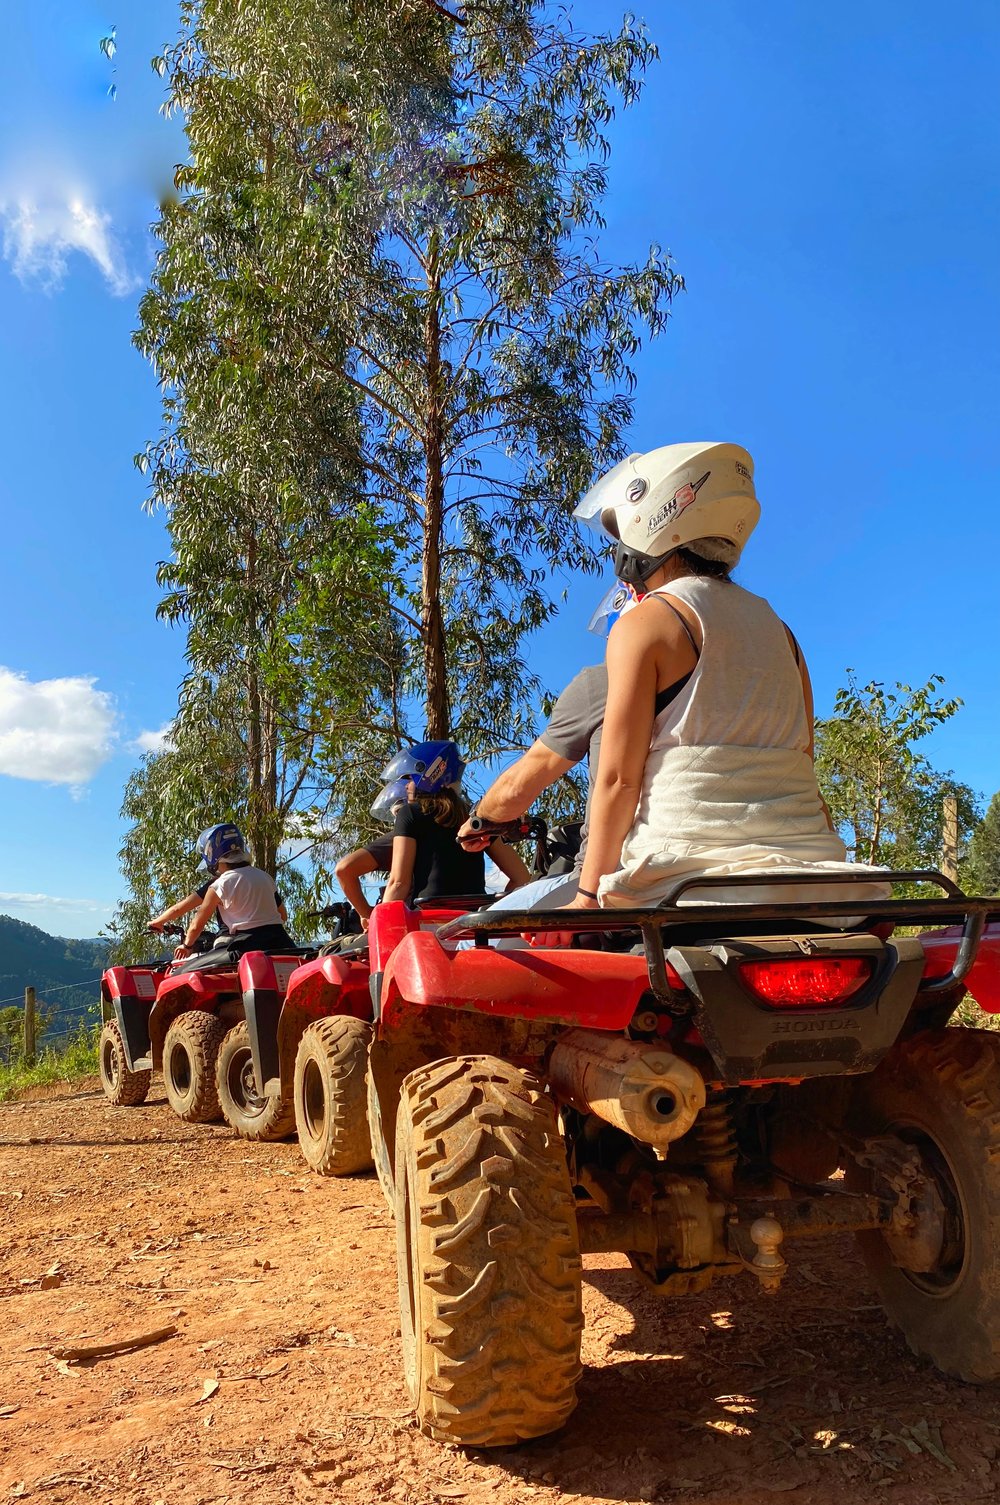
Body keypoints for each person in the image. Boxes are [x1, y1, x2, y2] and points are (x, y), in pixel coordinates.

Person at [562, 441, 887, 918]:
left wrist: (587, 897)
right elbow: (803, 765)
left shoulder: (645, 623)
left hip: (684, 888)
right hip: (813, 886)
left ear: (647, 523)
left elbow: (616, 780)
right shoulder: (783, 634)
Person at [456, 664, 607, 913]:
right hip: (674, 877)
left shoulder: (602, 682)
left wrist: (479, 819)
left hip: (604, 878)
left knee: (470, 934)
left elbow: (516, 790)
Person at [374, 741, 529, 906]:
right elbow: (521, 878)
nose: (406, 786)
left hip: (428, 916)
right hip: (474, 918)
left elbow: (398, 884)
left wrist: (381, 918)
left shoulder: (409, 813)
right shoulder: (476, 818)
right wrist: (493, 909)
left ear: (428, 775)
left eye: (409, 778)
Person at [171, 824, 296, 961]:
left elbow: (196, 926)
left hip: (247, 946)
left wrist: (186, 946)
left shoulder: (219, 885)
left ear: (211, 855)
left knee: (183, 971)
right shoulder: (265, 877)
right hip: (283, 942)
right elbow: (283, 915)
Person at [334, 779, 410, 930]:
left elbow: (344, 870)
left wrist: (368, 915)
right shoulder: (456, 827)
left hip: (407, 921)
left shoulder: (402, 837)